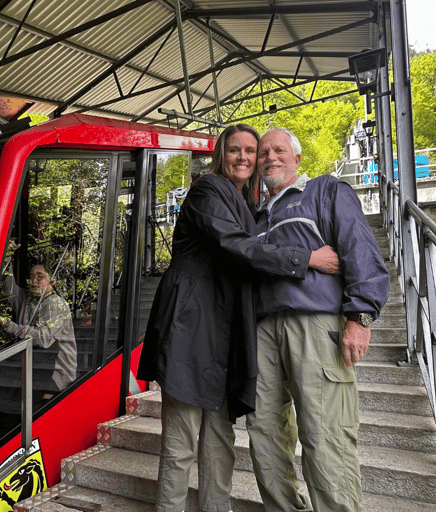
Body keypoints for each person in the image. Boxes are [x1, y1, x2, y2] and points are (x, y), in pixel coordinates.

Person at [137, 124, 340, 512]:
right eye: (236, 150)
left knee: (219, 441)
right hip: (190, 328)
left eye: (252, 150)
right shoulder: (207, 191)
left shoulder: (245, 204)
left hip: (222, 335)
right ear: (221, 154)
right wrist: (308, 259)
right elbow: (238, 247)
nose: (245, 157)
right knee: (181, 443)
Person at [246, 128, 390, 512]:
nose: (269, 158)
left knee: (325, 434)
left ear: (296, 159)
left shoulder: (326, 191)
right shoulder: (255, 215)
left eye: (278, 150)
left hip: (316, 324)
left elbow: (359, 248)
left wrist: (359, 316)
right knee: (263, 433)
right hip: (262, 329)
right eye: (262, 153)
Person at [0, 264, 77, 393]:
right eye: (31, 277)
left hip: (56, 375)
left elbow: (43, 339)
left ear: (52, 281)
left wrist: (7, 325)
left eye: (40, 276)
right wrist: (8, 255)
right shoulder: (28, 299)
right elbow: (8, 285)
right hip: (33, 366)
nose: (34, 281)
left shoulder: (55, 302)